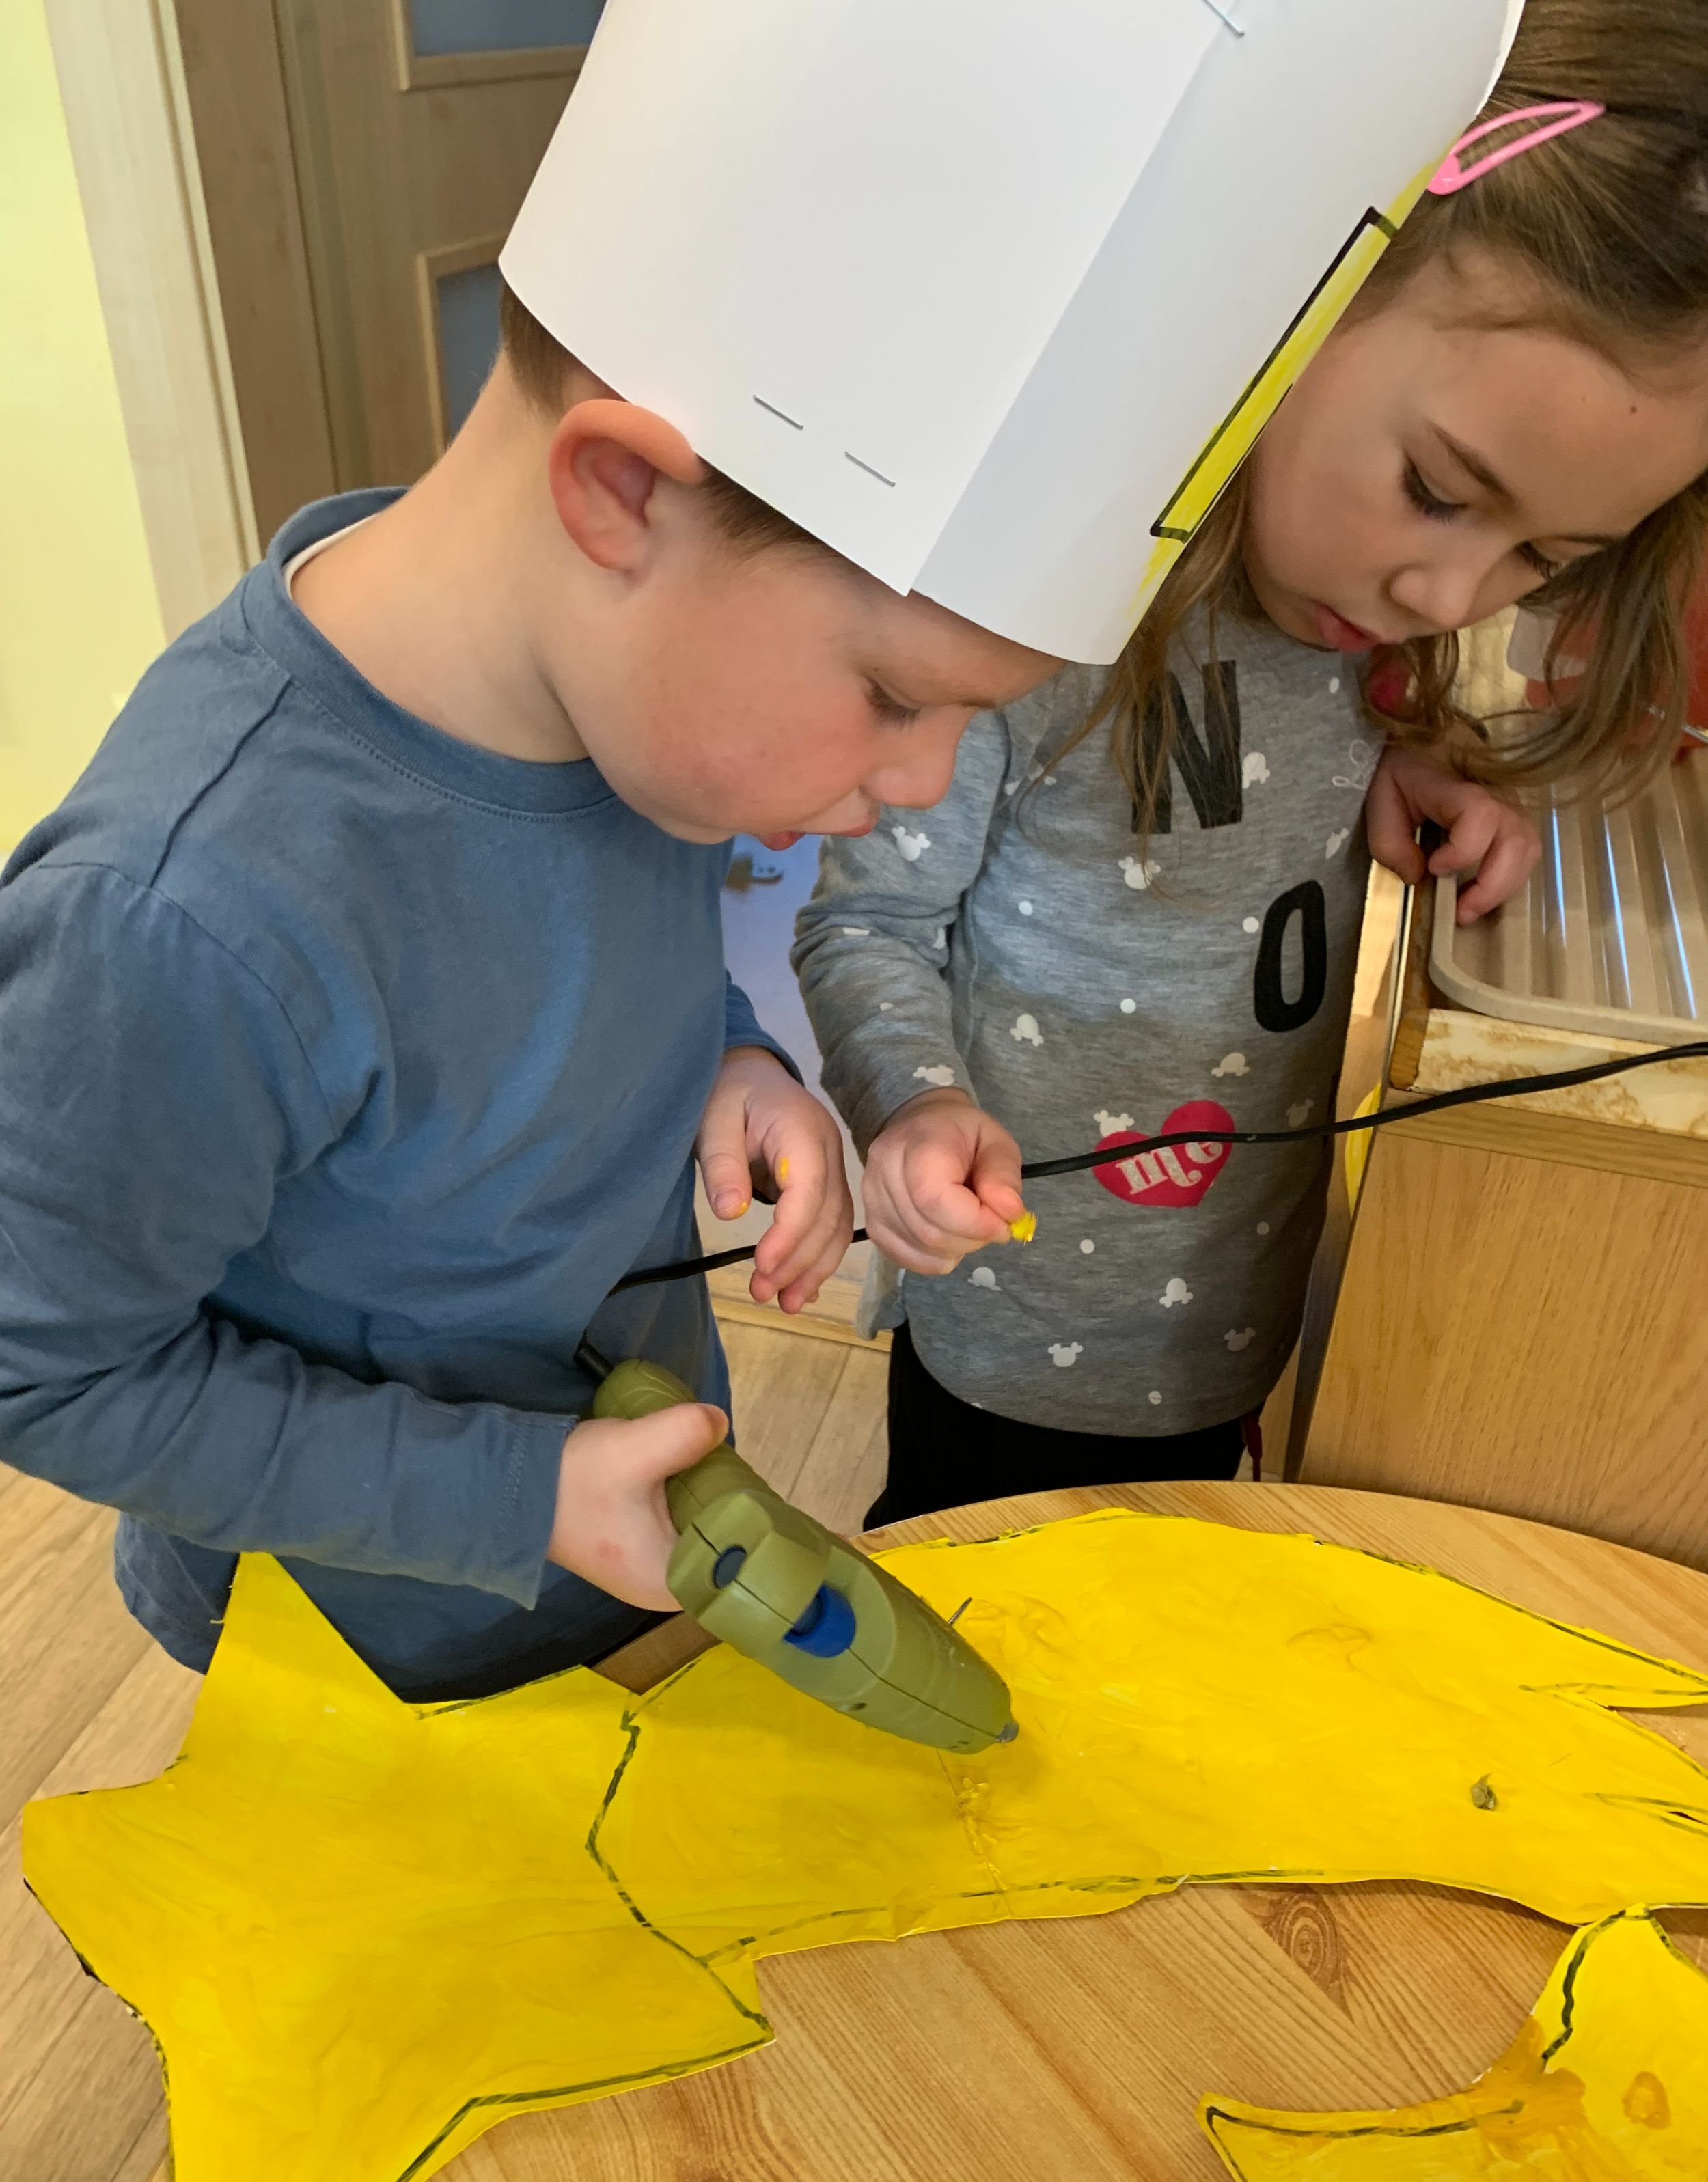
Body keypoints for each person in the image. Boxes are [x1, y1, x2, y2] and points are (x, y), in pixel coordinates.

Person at [0, 290, 1058, 1698]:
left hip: (623, 1561)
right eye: (891, 694)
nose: (924, 783)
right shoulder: (180, 915)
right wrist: (518, 1496)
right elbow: (48, 1369)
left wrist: (731, 1059)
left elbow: (560, 960)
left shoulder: (616, 704)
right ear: (618, 491)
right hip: (357, 1652)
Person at [795, 0, 1708, 1528]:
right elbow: (864, 922)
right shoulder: (1028, 635)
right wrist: (908, 1109)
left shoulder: (1351, 624)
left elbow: (1269, 776)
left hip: (1238, 1306)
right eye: (1435, 491)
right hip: (1015, 1329)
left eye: (1541, 555)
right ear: (1295, 295)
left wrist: (1399, 767)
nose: (1445, 593)